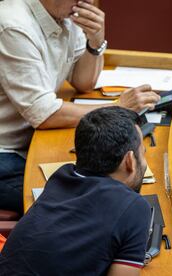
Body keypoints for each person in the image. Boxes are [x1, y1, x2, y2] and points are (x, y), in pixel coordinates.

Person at [0, 0, 160, 215]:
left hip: (30, 140)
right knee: (84, 202)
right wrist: (117, 107)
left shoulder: (66, 13)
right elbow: (44, 114)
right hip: (6, 151)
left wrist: (95, 41)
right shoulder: (12, 25)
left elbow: (83, 82)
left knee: (108, 182)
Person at [0, 106, 151, 275]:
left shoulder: (61, 177)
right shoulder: (134, 207)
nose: (144, 163)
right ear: (129, 160)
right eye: (143, 154)